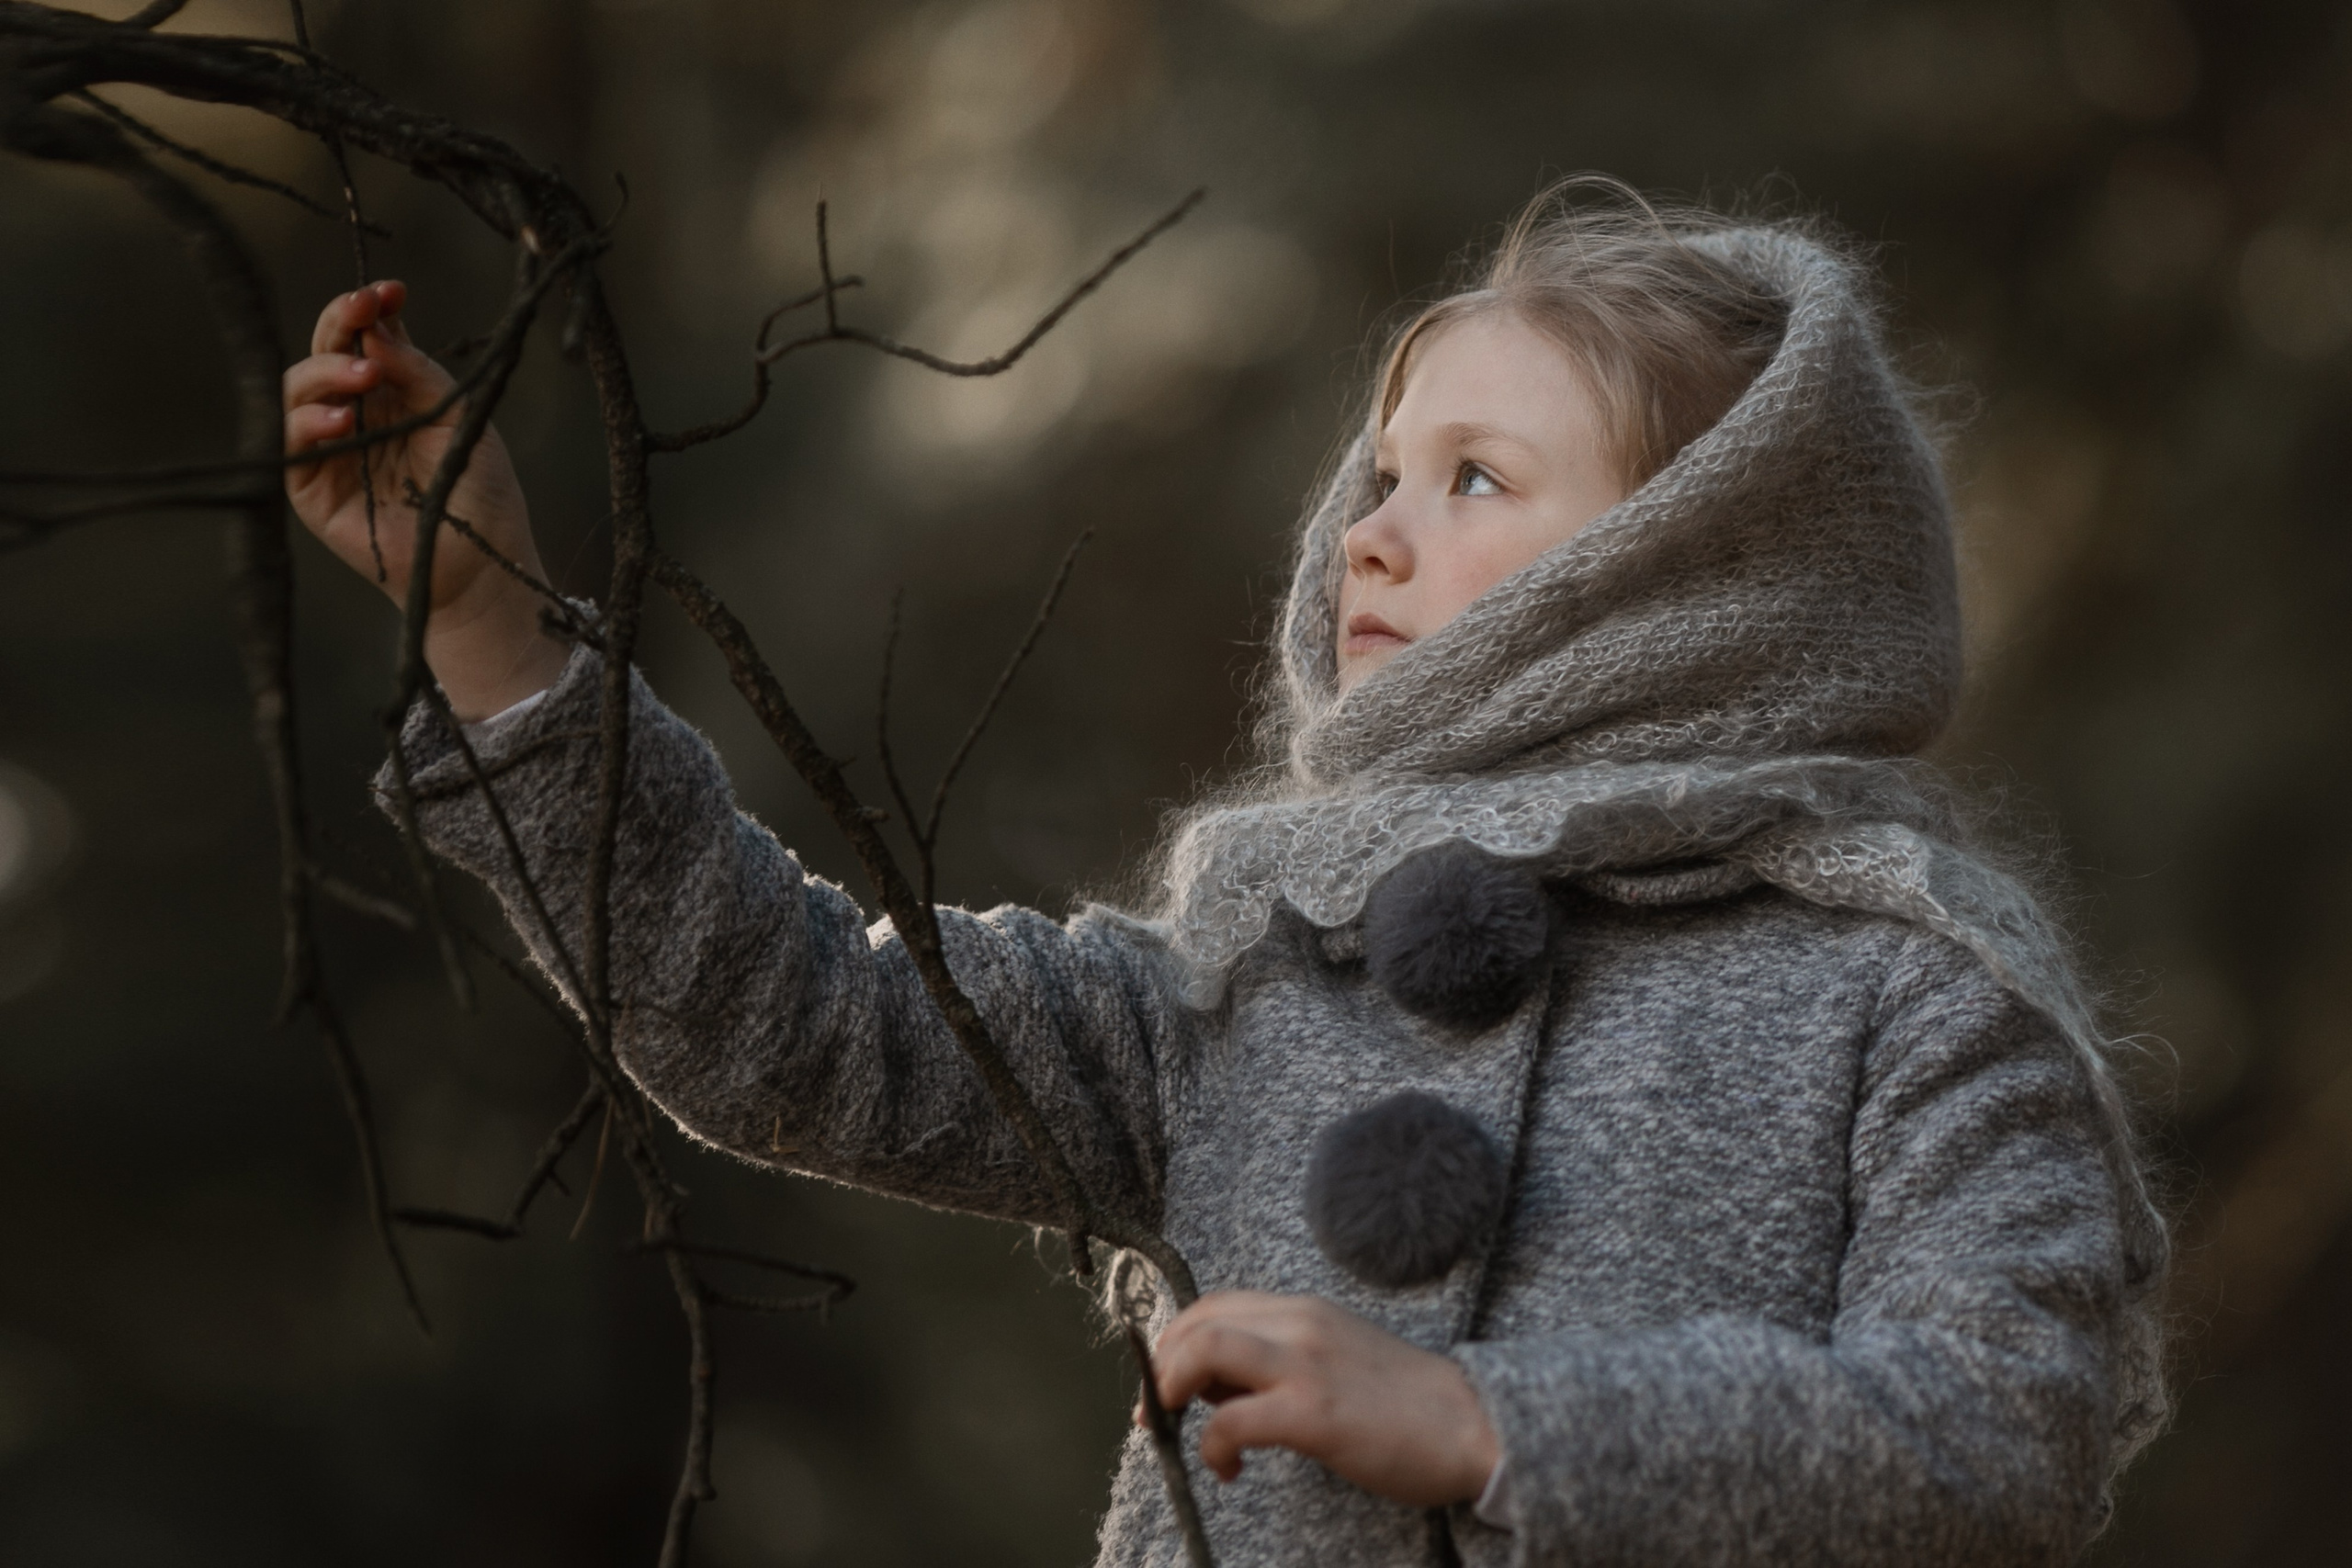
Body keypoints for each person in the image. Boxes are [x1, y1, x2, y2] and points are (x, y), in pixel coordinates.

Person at [284, 182, 2169, 1566]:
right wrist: (493, 635)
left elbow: (2000, 1427)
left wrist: (1483, 1421)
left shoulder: (1907, 985)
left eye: (1472, 479)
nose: (1367, 529)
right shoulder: (1257, 969)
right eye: (1379, 472)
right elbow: (788, 1024)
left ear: (1691, 567)